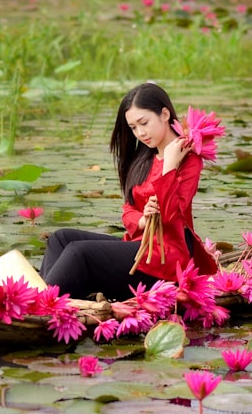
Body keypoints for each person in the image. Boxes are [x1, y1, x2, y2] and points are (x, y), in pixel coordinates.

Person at [39, 82, 218, 301]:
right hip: (140, 247)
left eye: (144, 123)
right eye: (133, 127)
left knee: (79, 252)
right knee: (60, 238)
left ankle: (41, 304)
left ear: (164, 114)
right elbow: (129, 208)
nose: (140, 133)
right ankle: (54, 296)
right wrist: (142, 220)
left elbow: (172, 215)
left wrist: (170, 165)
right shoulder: (145, 157)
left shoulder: (189, 160)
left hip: (165, 259)